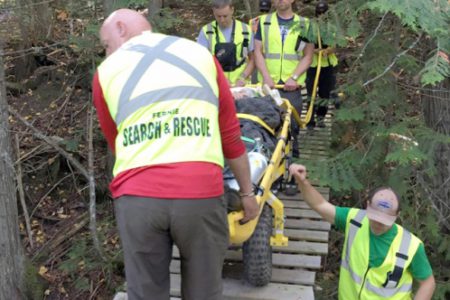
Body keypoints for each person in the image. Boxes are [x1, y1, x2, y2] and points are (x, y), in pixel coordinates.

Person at [92, 9, 259, 300]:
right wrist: (247, 194)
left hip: (138, 198)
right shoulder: (201, 55)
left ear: (121, 28)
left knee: (145, 293)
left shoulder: (105, 73)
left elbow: (116, 142)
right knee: (204, 292)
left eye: (106, 45)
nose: (107, 54)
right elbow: (230, 136)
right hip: (200, 195)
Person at [289, 163, 436, 299]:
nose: (378, 223)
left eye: (385, 219)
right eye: (375, 216)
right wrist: (302, 182)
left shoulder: (411, 246)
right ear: (367, 206)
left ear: (397, 215)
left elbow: (428, 282)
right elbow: (319, 204)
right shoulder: (354, 220)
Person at [254, 0, 314, 194]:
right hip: (270, 88)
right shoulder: (263, 23)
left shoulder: (305, 24)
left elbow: (308, 55)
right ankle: (271, 176)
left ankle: (292, 176)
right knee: (267, 130)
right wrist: (266, 76)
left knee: (292, 131)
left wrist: (294, 77)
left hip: (291, 88)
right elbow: (258, 52)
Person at [197, 0, 254, 87]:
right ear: (213, 11)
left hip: (242, 85)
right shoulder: (206, 31)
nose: (222, 20)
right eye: (218, 16)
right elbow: (202, 61)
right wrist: (221, 79)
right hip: (216, 84)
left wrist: (242, 78)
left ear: (232, 10)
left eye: (225, 16)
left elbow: (252, 59)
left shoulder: (245, 30)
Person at [305, 1, 338, 130]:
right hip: (313, 65)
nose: (321, 16)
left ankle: (320, 118)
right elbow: (304, 46)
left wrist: (328, 50)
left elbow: (335, 45)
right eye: (319, 13)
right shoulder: (310, 27)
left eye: (323, 13)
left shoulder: (332, 28)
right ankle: (309, 120)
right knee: (311, 94)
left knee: (325, 94)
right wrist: (315, 51)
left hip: (328, 66)